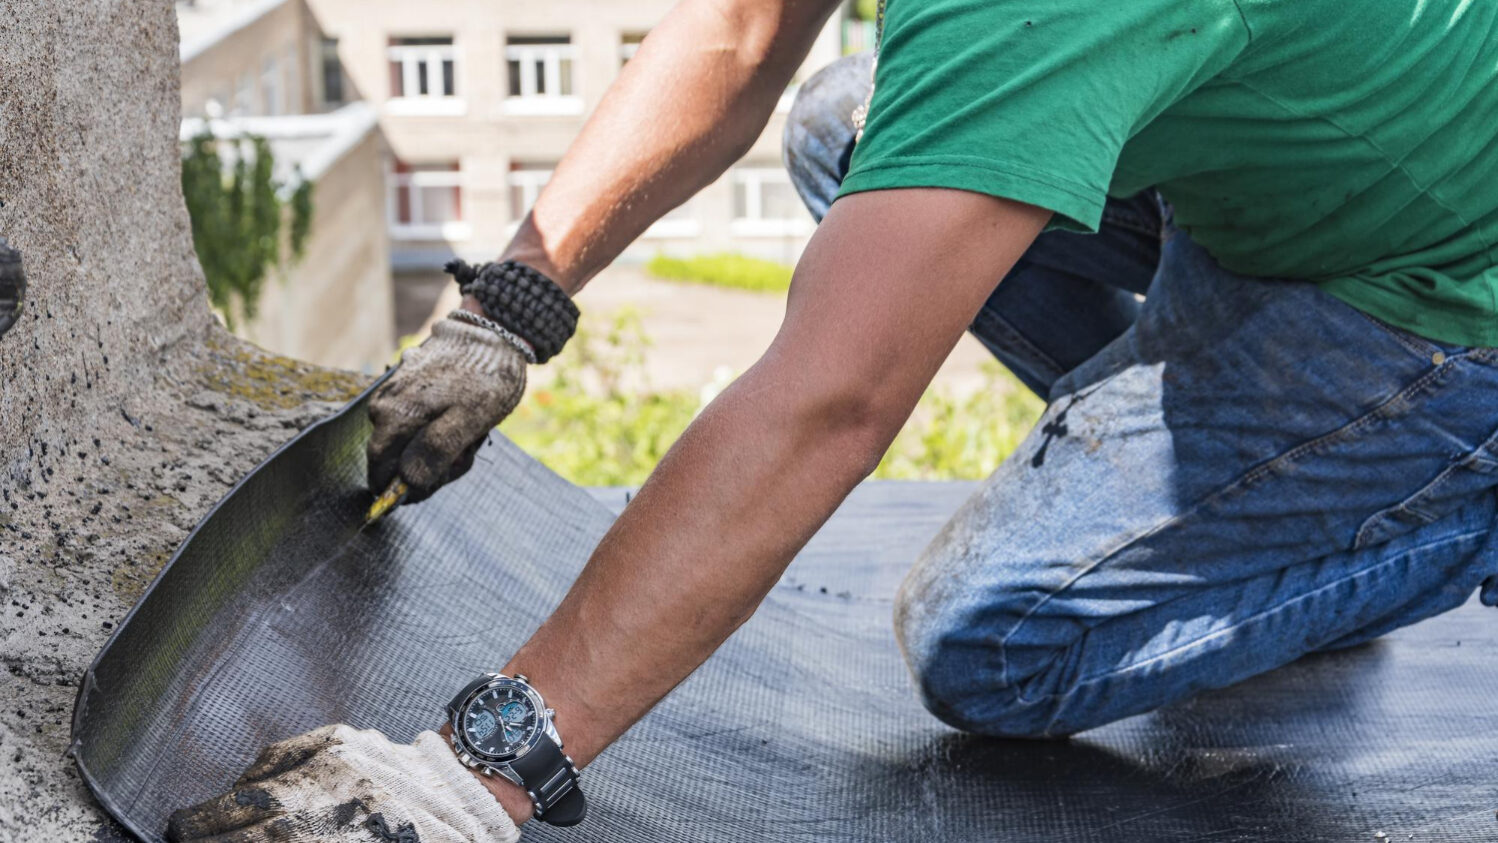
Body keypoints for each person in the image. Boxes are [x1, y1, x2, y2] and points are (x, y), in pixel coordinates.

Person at [168, 0, 1498, 839]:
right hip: (1315, 167)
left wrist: (482, 768)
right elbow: (734, 36)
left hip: (1437, 301)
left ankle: (1405, 499)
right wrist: (509, 308)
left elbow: (832, 404)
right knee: (853, 128)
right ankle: (1260, 481)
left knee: (996, 647)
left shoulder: (1038, 16)